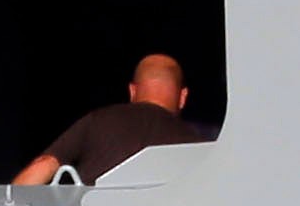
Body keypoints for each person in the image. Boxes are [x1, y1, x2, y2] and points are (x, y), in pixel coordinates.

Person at [14, 55, 215, 187]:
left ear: (132, 91)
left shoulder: (97, 121)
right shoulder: (198, 146)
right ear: (183, 97)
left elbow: (45, 165)